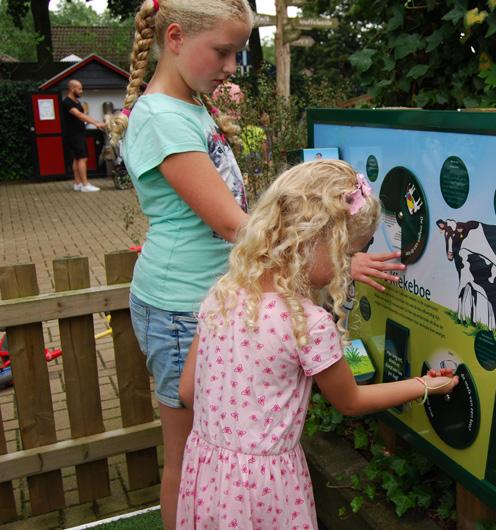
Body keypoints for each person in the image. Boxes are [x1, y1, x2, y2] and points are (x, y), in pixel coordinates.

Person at [108, 2, 403, 528]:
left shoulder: (188, 107)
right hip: (185, 304)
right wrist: (333, 258)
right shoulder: (162, 117)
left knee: (216, 453)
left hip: (222, 300)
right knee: (191, 455)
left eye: (236, 53)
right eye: (222, 51)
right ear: (174, 38)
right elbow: (230, 223)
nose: (230, 67)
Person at [176, 160, 458, 529]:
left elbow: (187, 392)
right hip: (266, 490)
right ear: (314, 243)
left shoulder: (223, 294)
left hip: (209, 475)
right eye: (346, 254)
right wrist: (424, 385)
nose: (347, 267)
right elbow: (349, 401)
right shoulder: (308, 324)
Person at [61, 79, 105, 192]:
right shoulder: (67, 102)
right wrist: (96, 123)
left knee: (77, 159)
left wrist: (95, 122)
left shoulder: (76, 101)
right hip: (74, 135)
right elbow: (79, 115)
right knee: (82, 158)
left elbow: (83, 115)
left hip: (79, 134)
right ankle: (85, 185)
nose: (81, 91)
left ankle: (77, 183)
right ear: (72, 89)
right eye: (79, 88)